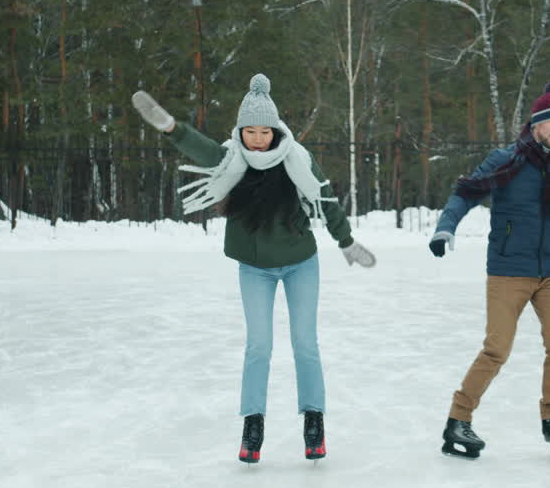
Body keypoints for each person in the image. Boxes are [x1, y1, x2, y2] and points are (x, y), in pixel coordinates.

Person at [132, 73, 375, 464]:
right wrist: (171, 127)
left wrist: (345, 241)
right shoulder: (232, 159)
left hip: (300, 264)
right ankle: (253, 424)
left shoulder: (297, 158)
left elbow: (325, 199)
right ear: (241, 131)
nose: (258, 138)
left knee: (305, 344)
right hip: (255, 268)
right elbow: (202, 149)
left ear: (276, 129)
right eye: (251, 131)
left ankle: (314, 421)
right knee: (258, 346)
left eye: (265, 131)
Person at [429, 82, 550, 461]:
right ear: (538, 122)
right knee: (496, 349)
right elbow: (465, 192)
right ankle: (458, 420)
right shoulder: (506, 160)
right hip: (508, 270)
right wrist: (445, 227)